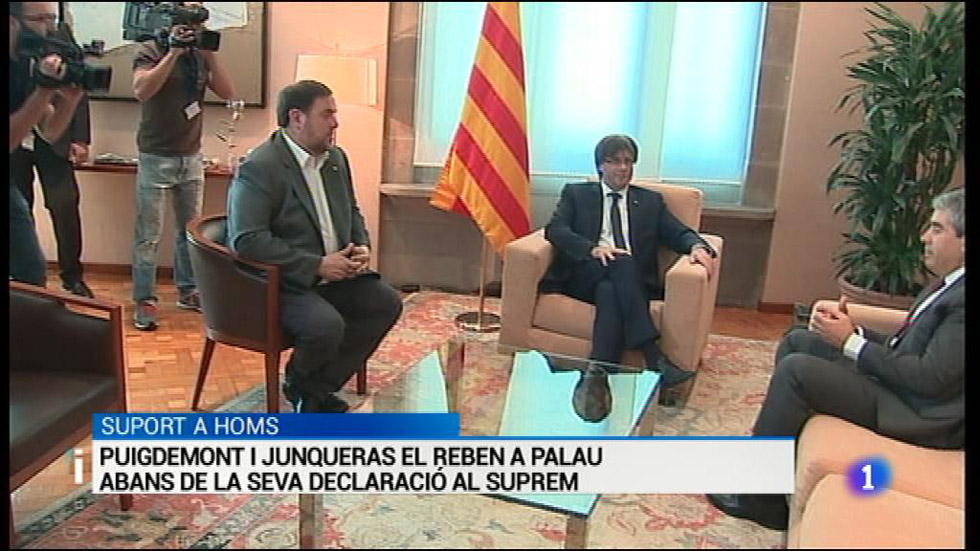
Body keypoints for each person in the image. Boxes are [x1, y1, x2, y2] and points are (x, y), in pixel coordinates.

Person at [708, 187, 965, 530]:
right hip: (905, 390)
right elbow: (905, 346)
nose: (924, 237)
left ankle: (760, 500)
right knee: (800, 340)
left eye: (936, 229)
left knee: (797, 372)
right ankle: (772, 457)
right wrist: (852, 331)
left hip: (917, 413)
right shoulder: (947, 284)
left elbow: (929, 378)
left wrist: (850, 343)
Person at [226, 80, 403, 413]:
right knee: (326, 327)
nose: (336, 123)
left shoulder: (336, 159)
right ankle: (303, 386)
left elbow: (351, 210)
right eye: (327, 114)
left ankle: (312, 389)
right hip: (284, 282)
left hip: (335, 275)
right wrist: (317, 265)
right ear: (297, 118)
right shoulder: (260, 167)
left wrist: (361, 245)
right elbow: (247, 240)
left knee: (386, 303)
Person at [540, 134, 717, 386]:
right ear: (600, 165)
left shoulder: (650, 202)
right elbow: (555, 230)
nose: (623, 167)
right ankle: (652, 355)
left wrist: (697, 246)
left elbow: (677, 232)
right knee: (620, 263)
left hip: (629, 284)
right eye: (614, 161)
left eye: (628, 161)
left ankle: (598, 374)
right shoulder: (577, 194)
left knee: (609, 290)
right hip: (584, 275)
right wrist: (593, 249)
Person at [130, 1, 235, 330]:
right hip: (155, 155)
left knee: (188, 232)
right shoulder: (150, 49)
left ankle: (188, 290)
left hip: (191, 156)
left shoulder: (199, 55)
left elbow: (228, 92)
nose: (193, 24)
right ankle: (145, 300)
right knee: (148, 236)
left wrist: (208, 53)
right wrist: (173, 52)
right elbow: (141, 90)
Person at [10, 13, 94, 297]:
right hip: (15, 149)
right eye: (40, 18)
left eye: (52, 18)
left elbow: (52, 124)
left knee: (64, 206)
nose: (48, 27)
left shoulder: (56, 41)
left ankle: (72, 277)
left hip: (50, 148)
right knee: (22, 210)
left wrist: (78, 132)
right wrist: (44, 90)